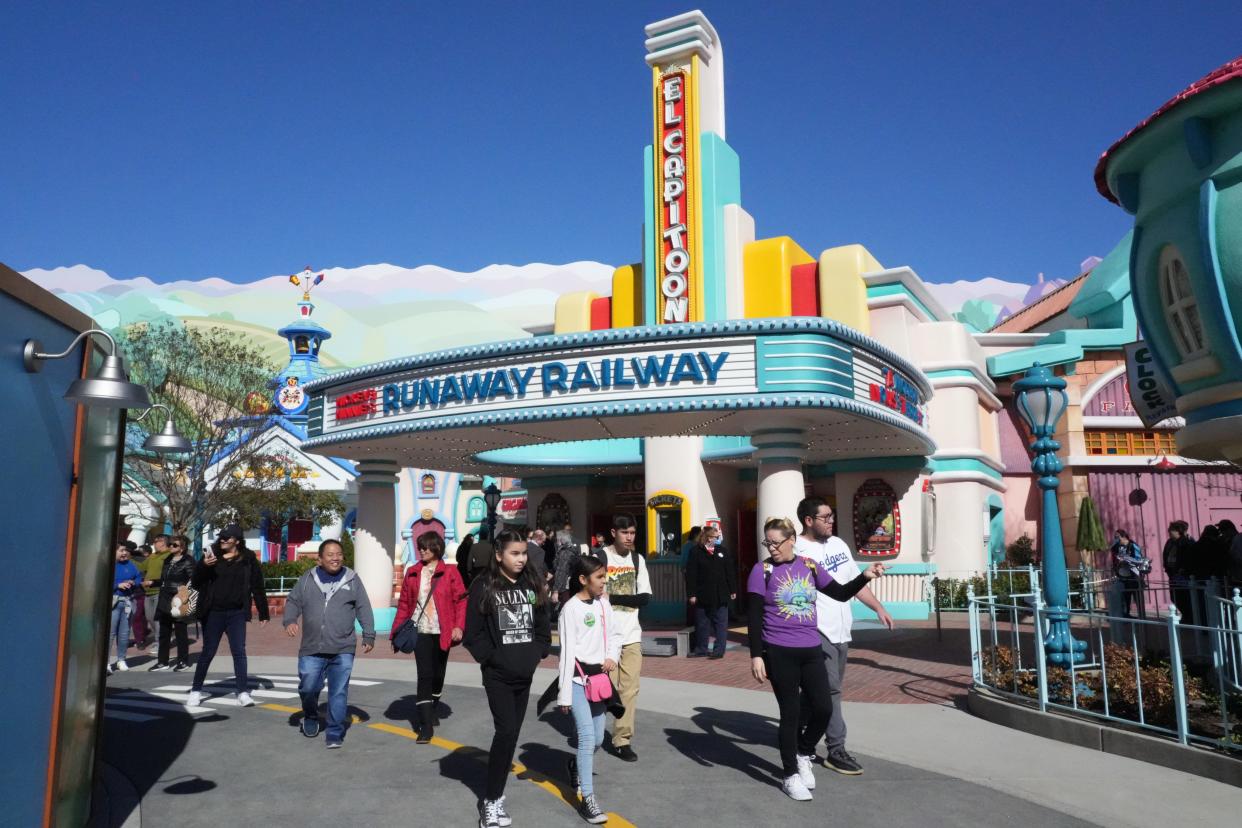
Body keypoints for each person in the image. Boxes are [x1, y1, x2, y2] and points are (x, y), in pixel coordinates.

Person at [747, 517, 886, 801]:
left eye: (776, 542)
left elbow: (840, 593)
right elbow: (753, 618)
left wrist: (865, 576)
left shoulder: (809, 567)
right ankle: (790, 776)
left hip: (810, 648)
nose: (771, 548)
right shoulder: (761, 571)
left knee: (823, 708)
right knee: (791, 714)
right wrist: (756, 656)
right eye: (767, 542)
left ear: (792, 541)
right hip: (778, 650)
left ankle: (803, 751)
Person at [794, 496, 894, 775]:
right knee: (831, 691)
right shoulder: (798, 550)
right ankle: (836, 749)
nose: (831, 521)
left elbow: (854, 583)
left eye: (832, 516)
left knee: (818, 692)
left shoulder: (839, 545)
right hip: (817, 631)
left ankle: (795, 732)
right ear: (809, 520)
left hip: (841, 632)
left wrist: (878, 608)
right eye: (825, 517)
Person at [464, 530, 551, 828]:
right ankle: (491, 800)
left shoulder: (532, 583)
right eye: (515, 553)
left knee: (512, 735)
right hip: (498, 676)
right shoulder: (484, 585)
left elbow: (542, 626)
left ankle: (496, 793)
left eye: (524, 553)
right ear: (499, 555)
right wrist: (493, 658)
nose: (521, 558)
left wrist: (535, 654)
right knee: (506, 731)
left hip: (524, 675)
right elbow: (472, 634)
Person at [282, 539, 375, 749]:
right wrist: (289, 620)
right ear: (320, 558)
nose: (335, 558)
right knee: (308, 687)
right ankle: (311, 716)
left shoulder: (352, 579)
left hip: (343, 647)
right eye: (330, 555)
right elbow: (293, 601)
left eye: (339, 554)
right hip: (312, 647)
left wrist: (368, 634)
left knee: (339, 691)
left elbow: (364, 607)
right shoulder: (307, 579)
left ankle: (334, 732)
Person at [558, 555, 622, 824]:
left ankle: (575, 766)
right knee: (586, 738)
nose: (604, 582)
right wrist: (564, 694)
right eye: (599, 577)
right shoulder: (569, 610)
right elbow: (565, 654)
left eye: (604, 576)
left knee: (597, 739)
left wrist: (612, 656)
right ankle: (588, 799)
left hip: (599, 681)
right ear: (583, 580)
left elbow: (614, 635)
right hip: (576, 681)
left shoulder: (603, 604)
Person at [393, 531, 467, 743]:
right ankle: (424, 725)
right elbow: (405, 604)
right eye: (420, 547)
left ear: (437, 548)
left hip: (442, 631)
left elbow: (461, 601)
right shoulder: (413, 572)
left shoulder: (450, 572)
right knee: (424, 675)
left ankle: (432, 707)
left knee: (438, 675)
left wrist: (458, 626)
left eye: (426, 547)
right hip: (421, 631)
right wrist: (396, 630)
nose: (422, 550)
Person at [187, 525, 269, 707]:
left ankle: (242, 692)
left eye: (227, 538)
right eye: (221, 537)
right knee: (208, 652)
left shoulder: (248, 559)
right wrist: (203, 566)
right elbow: (195, 582)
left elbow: (257, 585)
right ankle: (195, 690)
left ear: (237, 541)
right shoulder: (211, 556)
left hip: (237, 612)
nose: (223, 540)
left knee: (239, 652)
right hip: (213, 612)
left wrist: (263, 612)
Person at [601, 514, 650, 762]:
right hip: (604, 636)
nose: (629, 537)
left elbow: (644, 597)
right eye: (625, 533)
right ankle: (594, 730)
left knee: (629, 689)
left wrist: (614, 598)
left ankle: (622, 740)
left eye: (632, 532)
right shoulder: (601, 558)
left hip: (631, 634)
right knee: (604, 688)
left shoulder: (637, 560)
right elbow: (594, 593)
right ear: (613, 533)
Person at [684, 524, 736, 658]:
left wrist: (732, 589)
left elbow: (729, 571)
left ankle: (719, 651)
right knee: (702, 623)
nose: (716, 539)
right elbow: (691, 575)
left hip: (720, 593)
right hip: (702, 594)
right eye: (714, 537)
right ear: (707, 538)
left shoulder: (722, 551)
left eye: (717, 537)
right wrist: (692, 594)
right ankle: (701, 649)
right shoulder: (695, 552)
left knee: (721, 624)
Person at [149, 534, 195, 672]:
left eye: (174, 545)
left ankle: (183, 661)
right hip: (165, 598)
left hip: (179, 599)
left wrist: (184, 592)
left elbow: (194, 579)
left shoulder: (188, 561)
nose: (171, 547)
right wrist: (153, 582)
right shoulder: (168, 559)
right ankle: (162, 662)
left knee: (181, 631)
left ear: (182, 547)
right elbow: (165, 580)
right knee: (164, 631)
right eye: (170, 544)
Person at [109, 544, 142, 673]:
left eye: (125, 551)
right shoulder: (108, 565)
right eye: (121, 551)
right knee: (110, 633)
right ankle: (105, 662)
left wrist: (134, 582)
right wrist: (118, 585)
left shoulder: (130, 565)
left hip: (128, 602)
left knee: (124, 634)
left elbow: (138, 577)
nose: (124, 553)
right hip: (113, 602)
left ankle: (121, 659)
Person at [140, 534, 173, 653]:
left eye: (156, 541)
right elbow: (141, 567)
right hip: (148, 592)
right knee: (150, 618)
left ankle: (159, 642)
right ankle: (163, 637)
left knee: (158, 619)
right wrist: (129, 558)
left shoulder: (169, 555)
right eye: (154, 541)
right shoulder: (153, 556)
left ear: (163, 542)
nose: (154, 543)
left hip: (160, 591)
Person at [1162, 521, 1195, 621]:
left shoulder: (1186, 542)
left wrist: (1183, 569)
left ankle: (1189, 617)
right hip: (1172, 574)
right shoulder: (1169, 542)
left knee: (1184, 597)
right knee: (1174, 596)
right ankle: (1186, 615)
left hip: (1183, 576)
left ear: (1178, 531)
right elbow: (1165, 554)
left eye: (1171, 530)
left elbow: (1189, 558)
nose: (1169, 532)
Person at [1110, 529, 1147, 618]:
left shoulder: (1133, 546)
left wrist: (1127, 560)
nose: (1116, 539)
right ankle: (1126, 615)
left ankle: (1142, 616)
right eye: (1115, 537)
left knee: (1138, 597)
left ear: (1124, 537)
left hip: (1134, 576)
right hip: (1122, 576)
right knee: (1125, 597)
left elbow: (1139, 560)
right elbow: (1114, 558)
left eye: (1117, 537)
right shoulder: (1116, 547)